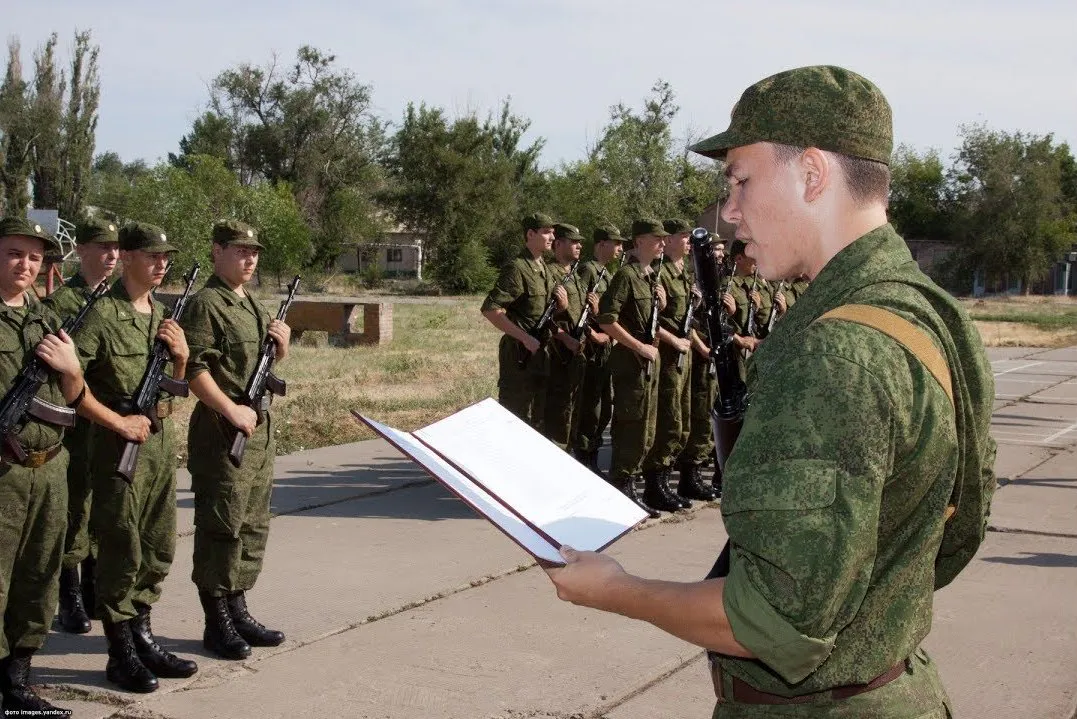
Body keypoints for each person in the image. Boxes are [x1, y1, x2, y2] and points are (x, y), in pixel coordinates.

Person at [545, 65, 996, 717]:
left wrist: (617, 589)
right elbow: (957, 532)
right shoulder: (930, 312)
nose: (728, 211)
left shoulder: (830, 350)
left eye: (739, 180)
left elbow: (770, 623)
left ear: (811, 173)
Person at [75, 221, 197, 692]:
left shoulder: (161, 317)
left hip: (159, 447)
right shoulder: (102, 315)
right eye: (152, 257)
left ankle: (143, 635)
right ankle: (119, 651)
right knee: (119, 549)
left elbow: (174, 393)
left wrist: (182, 360)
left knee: (157, 545)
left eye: (166, 258)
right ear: (125, 258)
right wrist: (117, 422)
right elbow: (71, 385)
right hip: (115, 448)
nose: (161, 265)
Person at [180, 220, 291, 660]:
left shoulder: (253, 305)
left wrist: (282, 348)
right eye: (240, 251)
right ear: (217, 251)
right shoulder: (206, 304)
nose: (249, 259)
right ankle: (217, 621)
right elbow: (195, 370)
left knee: (252, 523)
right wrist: (231, 410)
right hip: (222, 432)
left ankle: (239, 607)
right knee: (222, 525)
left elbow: (263, 367)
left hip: (258, 433)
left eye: (254, 253)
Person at [0, 217, 86, 717]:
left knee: (38, 578)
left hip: (49, 468)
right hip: (5, 473)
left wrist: (72, 367)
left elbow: (73, 399)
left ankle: (19, 682)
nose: (26, 265)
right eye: (14, 253)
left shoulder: (48, 318)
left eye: (34, 257)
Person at [44, 217, 120, 635]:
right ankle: (68, 591)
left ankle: (92, 584)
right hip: (74, 423)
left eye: (116, 249)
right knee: (73, 508)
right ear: (82, 251)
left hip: (111, 420)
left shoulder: (119, 300)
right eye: (102, 247)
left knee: (102, 506)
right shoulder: (60, 305)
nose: (111, 256)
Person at [595, 218, 669, 518]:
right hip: (631, 361)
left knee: (647, 428)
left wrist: (661, 305)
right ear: (639, 242)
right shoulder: (626, 275)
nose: (663, 243)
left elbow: (645, 318)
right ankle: (622, 488)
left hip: (648, 360)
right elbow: (606, 319)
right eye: (656, 238)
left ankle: (633, 486)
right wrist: (638, 347)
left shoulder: (650, 275)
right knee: (631, 424)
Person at [640, 218, 708, 511]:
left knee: (683, 418)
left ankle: (670, 481)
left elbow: (686, 320)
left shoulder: (683, 273)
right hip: (669, 356)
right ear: (667, 242)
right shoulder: (660, 274)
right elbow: (652, 322)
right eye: (682, 237)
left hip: (685, 355)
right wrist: (676, 341)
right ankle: (655, 485)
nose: (687, 241)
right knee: (669, 420)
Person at [481, 213, 567, 432]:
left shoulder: (545, 269)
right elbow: (491, 310)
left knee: (538, 420)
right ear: (530, 234)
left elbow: (543, 313)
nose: (552, 237)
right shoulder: (518, 268)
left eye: (553, 232)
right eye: (546, 232)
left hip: (541, 355)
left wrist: (562, 306)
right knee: (515, 421)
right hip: (520, 356)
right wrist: (525, 338)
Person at [674, 234, 724, 500]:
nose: (718, 255)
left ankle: (694, 473)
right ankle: (686, 474)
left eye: (718, 251)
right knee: (694, 416)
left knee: (705, 415)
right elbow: (689, 322)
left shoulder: (717, 282)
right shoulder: (693, 281)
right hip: (696, 354)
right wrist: (702, 347)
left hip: (709, 355)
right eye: (713, 251)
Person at [569, 225, 621, 474]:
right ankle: (584, 455)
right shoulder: (588, 270)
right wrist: (594, 334)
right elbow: (579, 309)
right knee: (591, 406)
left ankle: (593, 451)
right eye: (616, 243)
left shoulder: (607, 273)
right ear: (602, 244)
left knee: (604, 405)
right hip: (591, 349)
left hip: (605, 348)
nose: (620, 248)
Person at [543, 223, 590, 451]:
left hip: (575, 354)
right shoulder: (549, 274)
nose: (579, 245)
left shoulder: (575, 276)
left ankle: (568, 453)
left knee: (573, 410)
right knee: (557, 413)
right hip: (557, 354)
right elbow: (542, 318)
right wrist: (564, 338)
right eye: (574, 241)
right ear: (558, 243)